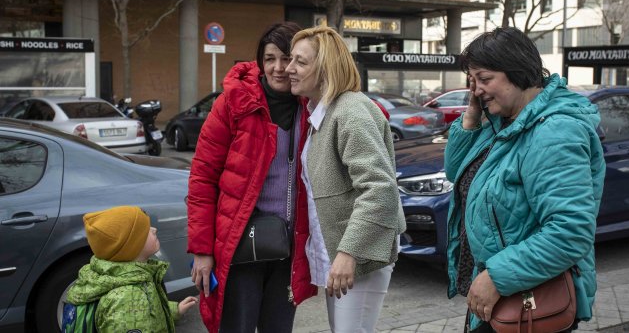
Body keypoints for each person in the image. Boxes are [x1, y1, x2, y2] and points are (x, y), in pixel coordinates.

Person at [443, 27, 606, 332]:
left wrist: (496, 276)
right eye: (473, 81)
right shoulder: (503, 121)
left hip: (528, 301)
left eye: (485, 78)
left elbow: (570, 231)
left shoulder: (554, 132)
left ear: (516, 71)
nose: (477, 89)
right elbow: (457, 172)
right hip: (501, 299)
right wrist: (471, 116)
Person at [187, 21, 317, 333]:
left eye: (287, 58)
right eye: (270, 58)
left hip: (289, 247)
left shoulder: (312, 106)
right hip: (242, 244)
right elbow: (202, 181)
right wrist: (202, 252)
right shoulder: (233, 104)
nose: (278, 68)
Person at [285, 26, 406, 332]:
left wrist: (349, 253)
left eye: (300, 62)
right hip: (341, 254)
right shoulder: (322, 113)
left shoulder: (350, 112)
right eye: (291, 60)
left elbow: (379, 190)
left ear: (325, 68)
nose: (289, 69)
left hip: (358, 256)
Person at [65, 205, 198, 332]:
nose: (154, 229)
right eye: (145, 230)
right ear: (130, 247)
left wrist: (174, 310)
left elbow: (145, 312)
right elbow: (133, 313)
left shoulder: (132, 277)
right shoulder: (127, 298)